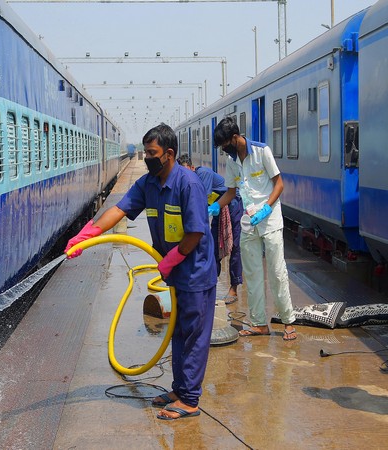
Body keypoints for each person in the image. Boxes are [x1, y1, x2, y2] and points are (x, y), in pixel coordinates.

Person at [65, 124, 217, 420]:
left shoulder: (189, 185)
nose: (146, 157)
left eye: (151, 153)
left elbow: (197, 231)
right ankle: (179, 389)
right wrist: (89, 234)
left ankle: (190, 400)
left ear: (169, 154)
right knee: (179, 332)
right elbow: (119, 210)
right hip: (175, 272)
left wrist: (172, 258)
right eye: (145, 152)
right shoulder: (148, 184)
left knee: (195, 336)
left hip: (195, 272)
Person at [209, 116, 297, 341]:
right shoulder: (231, 161)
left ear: (235, 137)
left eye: (225, 145)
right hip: (248, 222)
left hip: (269, 220)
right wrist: (214, 208)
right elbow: (230, 192)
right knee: (253, 274)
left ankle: (288, 322)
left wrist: (267, 209)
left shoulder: (261, 151)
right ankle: (259, 323)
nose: (224, 150)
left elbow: (279, 183)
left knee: (277, 271)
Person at [177, 154, 243, 303]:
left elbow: (201, 201)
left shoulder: (203, 174)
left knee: (234, 247)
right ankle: (209, 286)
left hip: (232, 206)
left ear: (193, 168)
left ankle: (234, 288)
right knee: (213, 248)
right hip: (217, 208)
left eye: (187, 171)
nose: (186, 176)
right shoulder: (187, 180)